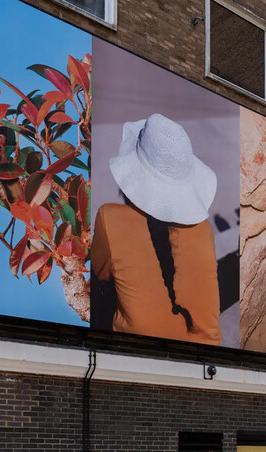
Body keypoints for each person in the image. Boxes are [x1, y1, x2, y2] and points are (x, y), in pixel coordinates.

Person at [91, 113, 222, 345]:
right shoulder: (204, 229)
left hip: (136, 353)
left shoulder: (109, 218)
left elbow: (99, 275)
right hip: (206, 356)